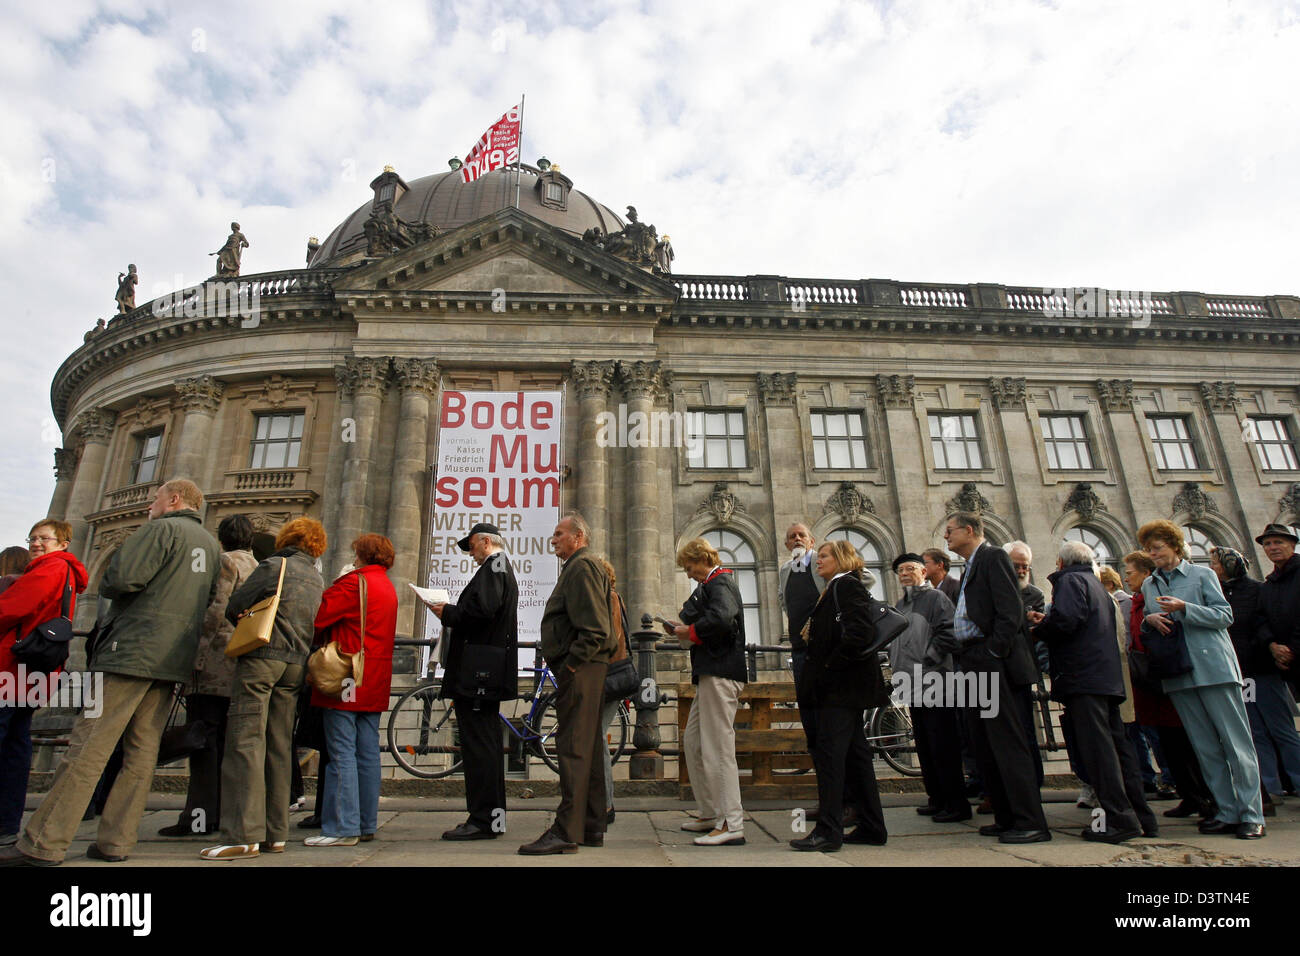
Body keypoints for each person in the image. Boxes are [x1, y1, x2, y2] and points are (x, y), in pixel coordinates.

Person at [2, 481, 218, 867]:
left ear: (173, 500)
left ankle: (43, 842)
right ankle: (115, 842)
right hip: (173, 661)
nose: (150, 504)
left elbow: (120, 580)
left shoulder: (158, 529)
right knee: (141, 754)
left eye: (155, 498)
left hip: (129, 653)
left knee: (89, 747)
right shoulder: (211, 545)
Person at [201, 517, 325, 860]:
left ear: (288, 538)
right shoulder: (315, 577)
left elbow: (234, 605)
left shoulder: (274, 565)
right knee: (280, 746)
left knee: (245, 740)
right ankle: (275, 833)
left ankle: (242, 835)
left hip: (262, 659)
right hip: (295, 666)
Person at [1137, 519, 1264, 839]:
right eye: (1149, 549)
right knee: (1205, 748)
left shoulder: (1202, 574)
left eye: (1158, 548)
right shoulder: (1149, 585)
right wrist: (1149, 620)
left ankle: (1252, 814)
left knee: (1237, 745)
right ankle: (1226, 811)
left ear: (1176, 547)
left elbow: (1224, 615)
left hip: (1214, 670)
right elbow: (1149, 627)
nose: (1154, 555)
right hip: (1179, 674)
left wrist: (1185, 608)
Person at [1028, 541, 1157, 842]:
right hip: (1105, 677)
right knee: (1119, 749)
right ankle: (1141, 817)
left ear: (1061, 562)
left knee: (1099, 753)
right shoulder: (1095, 583)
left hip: (1083, 677)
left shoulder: (1070, 580)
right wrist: (1048, 621)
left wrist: (1040, 630)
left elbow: (1069, 622)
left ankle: (1119, 821)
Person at [934, 511, 1048, 844]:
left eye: (950, 531)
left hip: (991, 662)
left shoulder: (994, 556)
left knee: (1008, 743)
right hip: (970, 659)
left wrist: (993, 653)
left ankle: (1031, 822)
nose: (946, 536)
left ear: (969, 530)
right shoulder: (970, 564)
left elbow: (1010, 611)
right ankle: (1006, 816)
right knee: (983, 743)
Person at [519, 514, 615, 855]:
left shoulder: (582, 567)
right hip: (587, 668)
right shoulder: (581, 567)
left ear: (578, 536)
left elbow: (595, 628)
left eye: (559, 534)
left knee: (573, 747)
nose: (553, 540)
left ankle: (565, 831)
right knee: (585, 748)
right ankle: (591, 827)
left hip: (583, 668)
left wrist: (571, 664)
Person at [158, 514, 259, 837]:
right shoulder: (258, 566)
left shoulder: (226, 563)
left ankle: (199, 818)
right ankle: (223, 813)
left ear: (221, 538)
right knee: (227, 743)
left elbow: (215, 612)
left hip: (215, 664)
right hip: (241, 664)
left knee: (203, 743)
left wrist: (194, 658)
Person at [788, 540, 891, 852]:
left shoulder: (845, 586)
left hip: (839, 690)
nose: (817, 561)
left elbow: (860, 634)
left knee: (831, 757)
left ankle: (828, 831)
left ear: (842, 559)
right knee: (856, 757)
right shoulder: (834, 588)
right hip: (841, 688)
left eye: (823, 556)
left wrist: (831, 668)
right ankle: (873, 826)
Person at [0, 521, 88, 848]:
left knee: (10, 742)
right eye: (33, 538)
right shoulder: (63, 570)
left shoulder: (50, 569)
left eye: (44, 538)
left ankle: (7, 821)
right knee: (15, 743)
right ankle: (7, 823)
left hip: (14, 666)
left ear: (62, 543)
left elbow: (12, 608)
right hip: (33, 670)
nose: (36, 543)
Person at [305, 534, 397, 847]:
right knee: (368, 752)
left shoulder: (352, 583)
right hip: (374, 678)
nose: (354, 557)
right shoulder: (388, 586)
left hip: (347, 676)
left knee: (341, 752)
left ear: (363, 554)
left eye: (356, 552)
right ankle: (365, 823)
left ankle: (341, 828)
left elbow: (319, 619)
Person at [428, 523, 518, 842]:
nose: (470, 553)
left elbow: (483, 610)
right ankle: (490, 819)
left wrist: (447, 613)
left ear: (484, 542)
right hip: (485, 669)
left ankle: (483, 820)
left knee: (480, 746)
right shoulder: (498, 566)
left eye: (471, 546)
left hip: (480, 671)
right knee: (487, 745)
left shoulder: (494, 566)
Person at [664, 537, 748, 847]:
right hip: (711, 671)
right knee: (695, 741)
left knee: (717, 747)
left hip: (720, 670)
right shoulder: (710, 585)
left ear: (701, 560)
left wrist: (691, 632)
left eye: (688, 566)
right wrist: (681, 627)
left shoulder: (720, 581)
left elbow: (723, 618)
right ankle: (711, 812)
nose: (687, 573)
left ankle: (731, 822)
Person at [1123, 551, 1214, 820]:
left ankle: (1205, 798)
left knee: (1184, 743)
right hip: (1151, 683)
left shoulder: (1153, 600)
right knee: (1170, 744)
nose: (1126, 578)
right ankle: (1190, 796)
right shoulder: (1138, 601)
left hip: (1166, 678)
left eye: (1130, 573)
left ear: (1146, 574)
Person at [1213, 543, 1300, 816]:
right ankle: (1270, 787)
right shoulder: (1218, 592)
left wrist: (1270, 647)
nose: (1212, 568)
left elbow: (1263, 625)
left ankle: (1296, 781)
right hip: (1240, 671)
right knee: (1256, 732)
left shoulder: (1256, 590)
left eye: (1215, 564)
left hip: (1261, 668)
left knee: (1281, 728)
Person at [891, 553, 966, 821]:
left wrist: (928, 661)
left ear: (924, 572)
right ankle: (937, 798)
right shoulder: (902, 604)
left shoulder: (936, 599)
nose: (905, 573)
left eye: (911, 568)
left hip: (936, 681)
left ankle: (956, 804)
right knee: (925, 744)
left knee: (943, 744)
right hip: (912, 683)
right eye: (901, 570)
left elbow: (950, 632)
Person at [598, 558, 629, 826]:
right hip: (612, 674)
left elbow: (609, 637)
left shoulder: (608, 598)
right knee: (596, 738)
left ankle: (605, 804)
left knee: (596, 738)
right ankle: (603, 803)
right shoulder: (613, 597)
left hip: (606, 676)